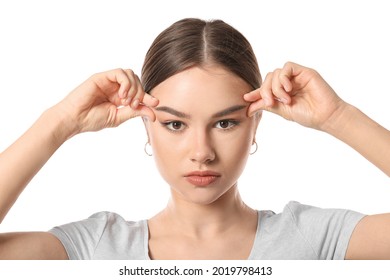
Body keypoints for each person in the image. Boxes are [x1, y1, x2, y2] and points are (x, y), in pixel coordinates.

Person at [0, 18, 389, 260]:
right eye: (175, 125)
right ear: (146, 126)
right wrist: (60, 121)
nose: (201, 153)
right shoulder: (95, 247)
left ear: (255, 126)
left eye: (225, 124)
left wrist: (338, 117)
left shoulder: (311, 238)